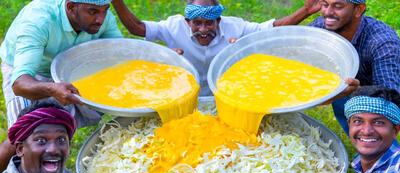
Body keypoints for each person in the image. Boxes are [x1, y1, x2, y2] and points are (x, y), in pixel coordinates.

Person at [0, 0, 123, 172]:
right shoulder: (39, 20)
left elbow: (122, 54)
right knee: (24, 133)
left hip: (72, 66)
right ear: (71, 7)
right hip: (31, 71)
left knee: (57, 134)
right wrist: (51, 88)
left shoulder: (102, 17)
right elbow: (20, 84)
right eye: (93, 12)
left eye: (105, 10)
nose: (101, 19)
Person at [112, 0, 322, 96]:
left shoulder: (235, 27)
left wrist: (305, 11)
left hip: (224, 96)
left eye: (209, 23)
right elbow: (137, 28)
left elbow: (271, 29)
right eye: (197, 23)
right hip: (183, 95)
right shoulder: (173, 27)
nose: (203, 30)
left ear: (219, 21)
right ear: (187, 21)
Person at [309, 0, 400, 134]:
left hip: (376, 93)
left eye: (338, 6)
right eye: (324, 4)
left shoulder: (382, 42)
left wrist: (355, 91)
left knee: (376, 130)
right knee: (351, 123)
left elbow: (390, 100)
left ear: (359, 9)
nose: (328, 12)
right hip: (344, 86)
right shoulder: (320, 29)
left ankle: (386, 152)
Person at [314, 86, 400, 173]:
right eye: (358, 121)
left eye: (378, 122)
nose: (366, 131)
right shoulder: (360, 162)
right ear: (349, 125)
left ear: (395, 130)